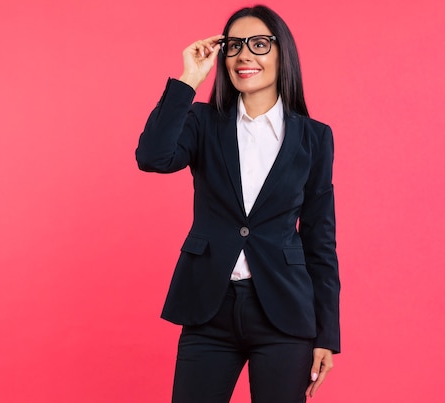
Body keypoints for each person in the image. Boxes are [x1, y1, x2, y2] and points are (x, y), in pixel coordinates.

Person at [136, 5, 340, 402]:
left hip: (284, 313)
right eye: (234, 46)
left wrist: (327, 334)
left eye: (259, 44)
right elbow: (152, 158)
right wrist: (188, 80)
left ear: (283, 54)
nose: (245, 55)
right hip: (209, 309)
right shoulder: (202, 122)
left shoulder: (314, 137)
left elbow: (320, 238)